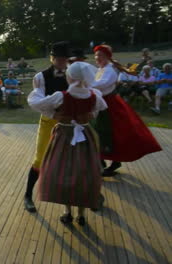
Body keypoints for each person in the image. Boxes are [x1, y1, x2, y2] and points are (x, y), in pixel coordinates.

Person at [36, 62, 107, 225]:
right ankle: (81, 214)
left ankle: (67, 211)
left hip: (64, 136)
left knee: (63, 171)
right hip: (84, 135)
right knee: (84, 174)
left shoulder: (61, 96)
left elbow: (39, 105)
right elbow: (98, 109)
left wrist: (55, 115)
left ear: (70, 77)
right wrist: (89, 115)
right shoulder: (94, 95)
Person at [91, 44, 161, 176]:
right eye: (96, 55)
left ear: (107, 57)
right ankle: (101, 160)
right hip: (101, 103)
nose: (97, 58)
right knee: (99, 131)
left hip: (110, 104)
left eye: (100, 55)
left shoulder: (110, 71)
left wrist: (85, 84)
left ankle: (112, 161)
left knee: (113, 132)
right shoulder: (101, 69)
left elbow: (101, 84)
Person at [25, 41, 71, 212]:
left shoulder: (74, 75)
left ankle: (82, 196)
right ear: (52, 58)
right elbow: (37, 103)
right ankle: (28, 196)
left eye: (64, 58)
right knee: (39, 159)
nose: (61, 61)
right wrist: (53, 115)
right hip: (48, 122)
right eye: (58, 58)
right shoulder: (39, 77)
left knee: (72, 159)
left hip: (69, 122)